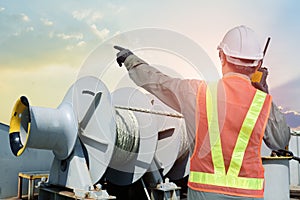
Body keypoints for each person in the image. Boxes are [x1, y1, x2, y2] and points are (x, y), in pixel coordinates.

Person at [114, 25, 290, 199]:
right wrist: (263, 90)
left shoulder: (198, 92)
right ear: (258, 64)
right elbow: (280, 141)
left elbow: (159, 83)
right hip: (247, 194)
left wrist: (131, 60)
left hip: (205, 193)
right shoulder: (262, 102)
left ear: (221, 56)